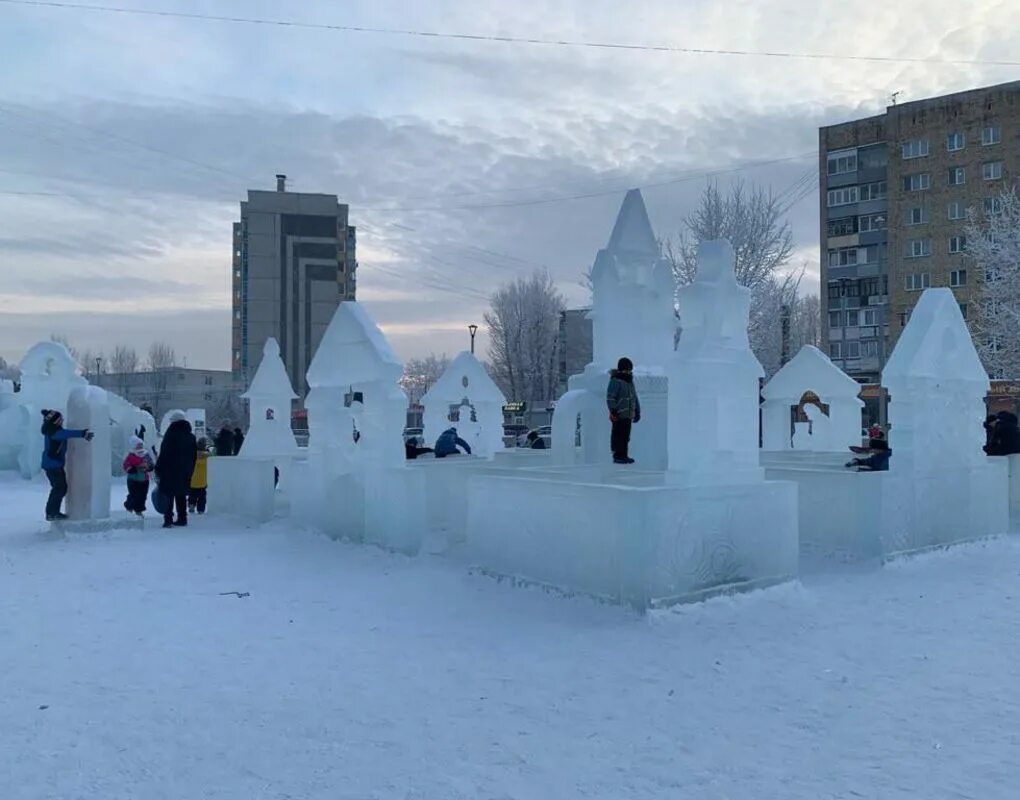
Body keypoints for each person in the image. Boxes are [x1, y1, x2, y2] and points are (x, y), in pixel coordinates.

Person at [40, 409, 93, 521]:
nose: (62, 420)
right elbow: (65, 434)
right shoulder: (54, 432)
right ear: (55, 421)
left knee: (60, 488)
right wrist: (82, 433)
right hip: (52, 465)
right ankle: (51, 513)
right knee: (59, 488)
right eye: (60, 419)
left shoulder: (52, 429)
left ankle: (53, 512)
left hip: (54, 464)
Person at [155, 415, 198, 529]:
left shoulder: (171, 435)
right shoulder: (191, 437)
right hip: (185, 472)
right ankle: (182, 518)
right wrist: (190, 470)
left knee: (168, 495)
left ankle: (168, 519)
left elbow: (164, 453)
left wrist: (158, 469)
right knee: (181, 495)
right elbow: (194, 456)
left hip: (169, 471)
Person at [606, 356, 640, 464]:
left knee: (626, 436)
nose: (629, 371)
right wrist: (613, 410)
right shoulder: (615, 381)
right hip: (619, 413)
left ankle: (624, 455)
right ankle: (617, 455)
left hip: (628, 413)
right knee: (618, 435)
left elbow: (634, 397)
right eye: (627, 369)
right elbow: (610, 397)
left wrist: (637, 410)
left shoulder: (630, 381)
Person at [122, 435, 154, 516]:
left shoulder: (146, 454)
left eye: (141, 445)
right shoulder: (131, 455)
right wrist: (132, 469)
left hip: (144, 479)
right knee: (134, 495)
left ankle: (139, 510)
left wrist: (149, 467)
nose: (140, 447)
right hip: (133, 479)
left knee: (142, 495)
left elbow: (151, 464)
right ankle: (129, 506)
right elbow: (126, 465)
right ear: (134, 446)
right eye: (138, 445)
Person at [188, 438, 209, 515]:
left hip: (193, 479)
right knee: (202, 496)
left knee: (192, 494)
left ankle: (191, 505)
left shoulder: (192, 454)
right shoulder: (207, 456)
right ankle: (201, 509)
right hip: (203, 480)